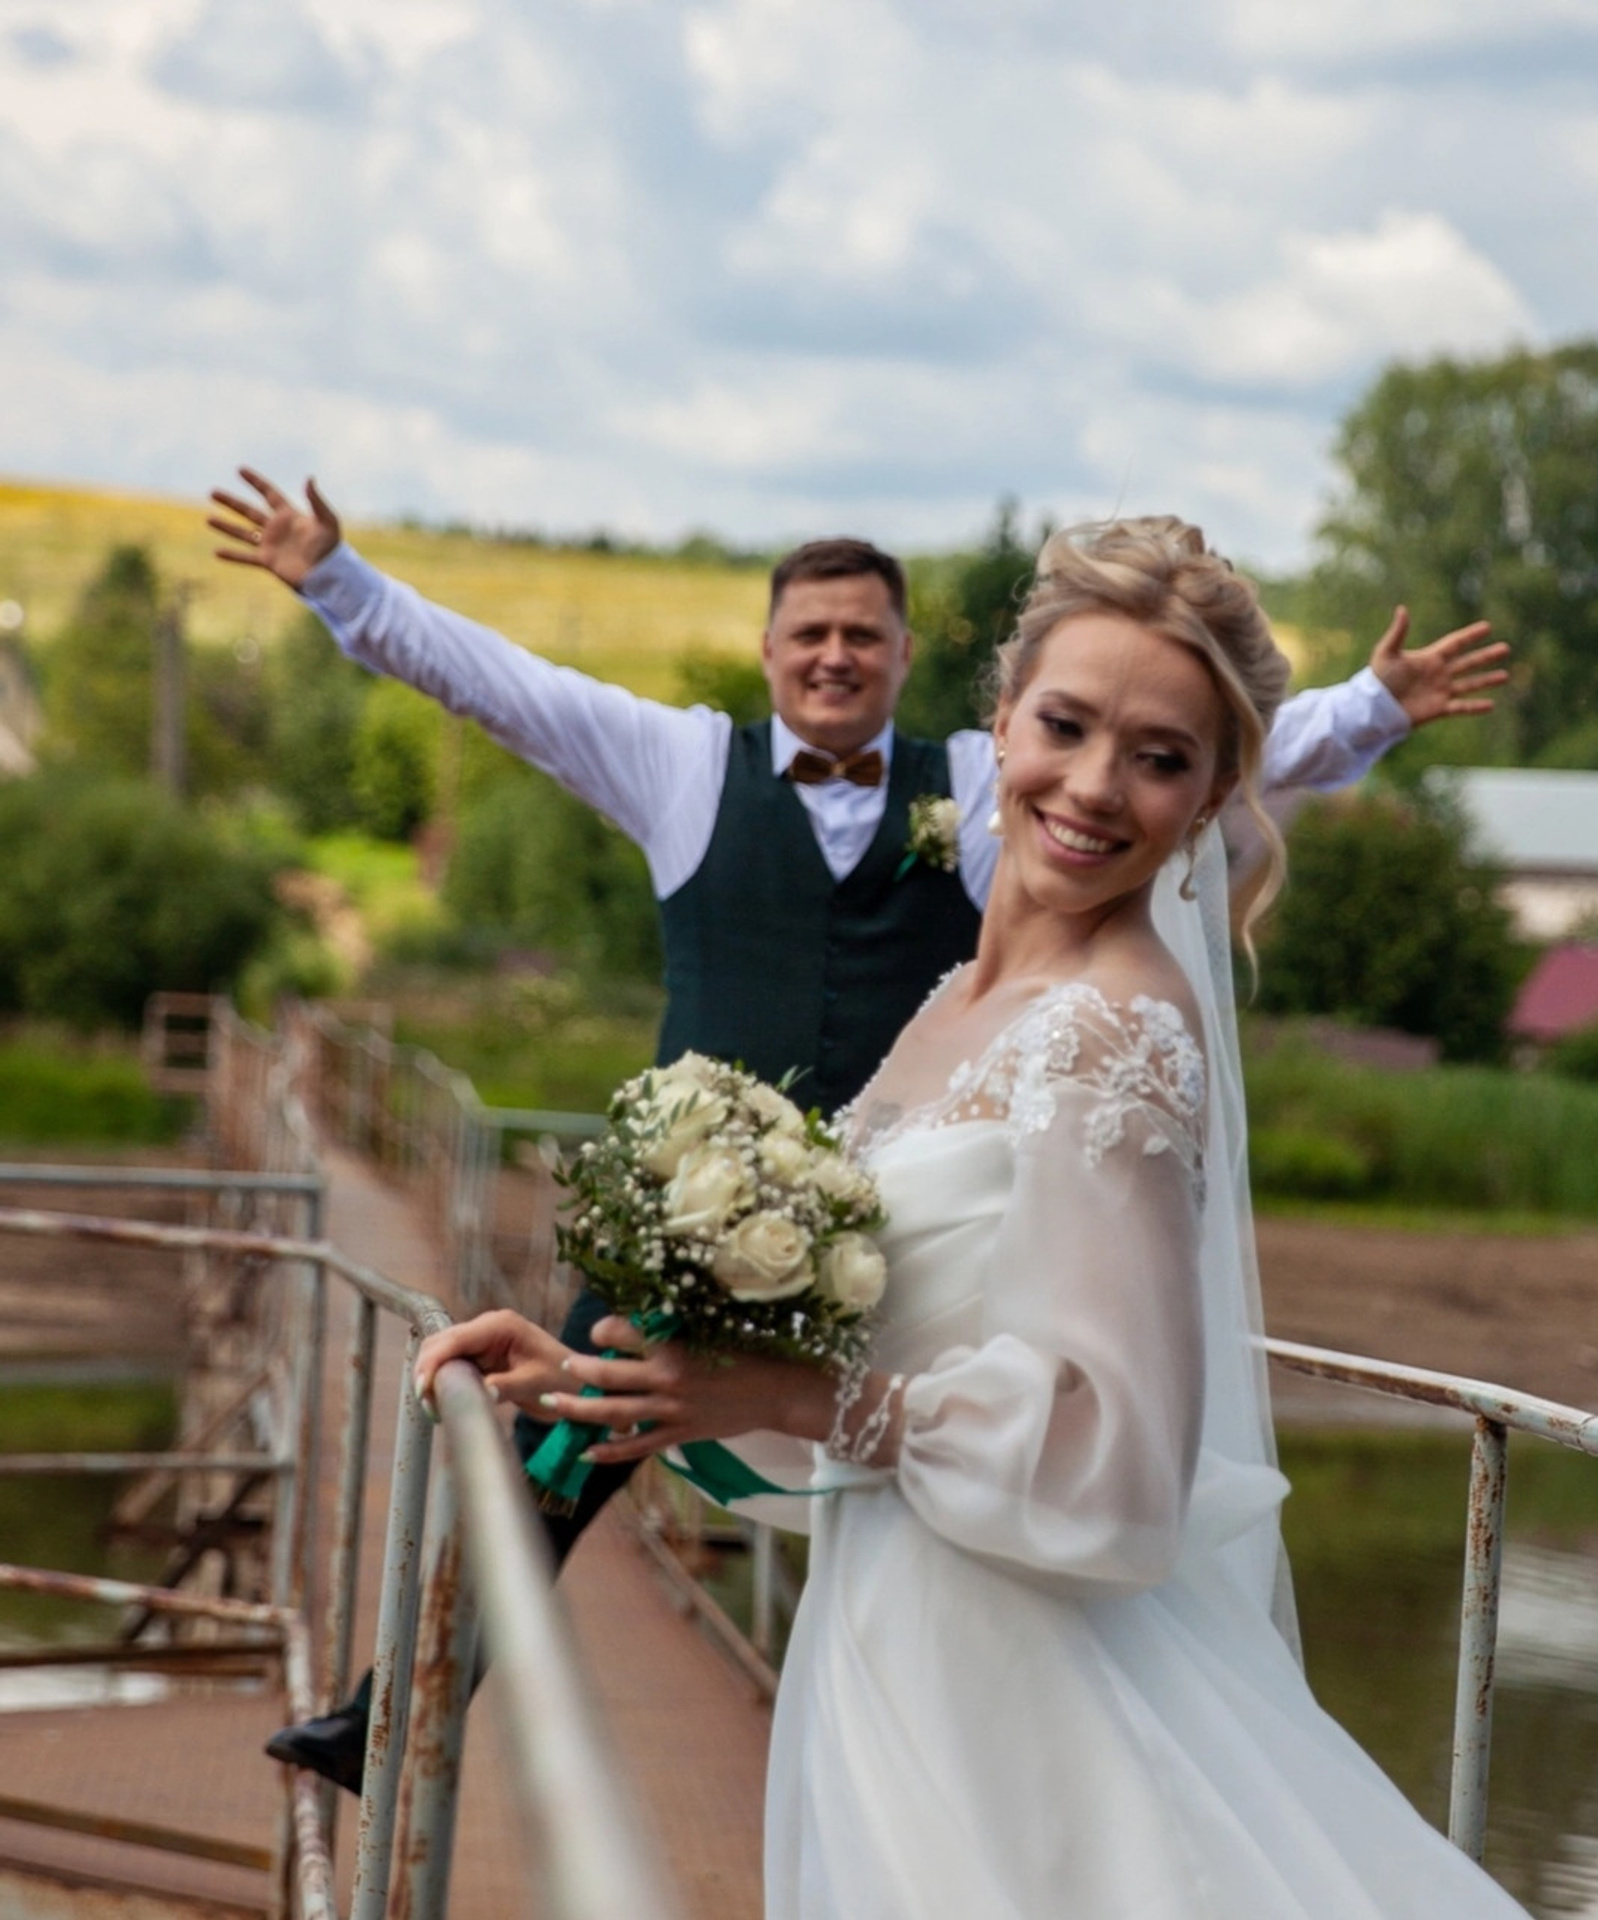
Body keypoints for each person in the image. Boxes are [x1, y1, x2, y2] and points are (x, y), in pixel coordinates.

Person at [210, 470, 1507, 1791]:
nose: (836, 655)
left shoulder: (992, 782)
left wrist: (1369, 714)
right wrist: (338, 582)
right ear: (769, 650)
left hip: (903, 1239)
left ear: (906, 660)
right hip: (693, 1218)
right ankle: (392, 1716)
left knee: (829, 1490)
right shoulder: (682, 764)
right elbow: (500, 686)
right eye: (809, 633)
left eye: (864, 634)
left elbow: (1182, 757)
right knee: (550, 1462)